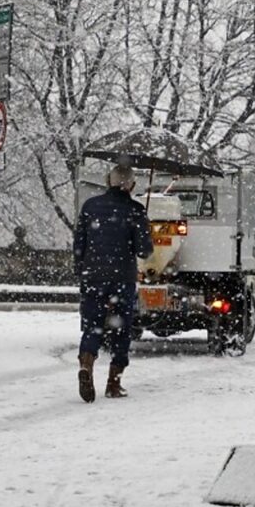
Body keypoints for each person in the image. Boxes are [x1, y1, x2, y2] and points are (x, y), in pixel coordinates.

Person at [73, 164, 153, 402]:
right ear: (131, 185)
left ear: (108, 181)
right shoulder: (136, 210)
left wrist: (81, 270)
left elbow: (79, 244)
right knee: (121, 328)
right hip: (121, 279)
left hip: (93, 276)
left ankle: (86, 365)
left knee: (92, 325)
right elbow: (144, 251)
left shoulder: (90, 207)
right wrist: (142, 229)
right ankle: (113, 383)